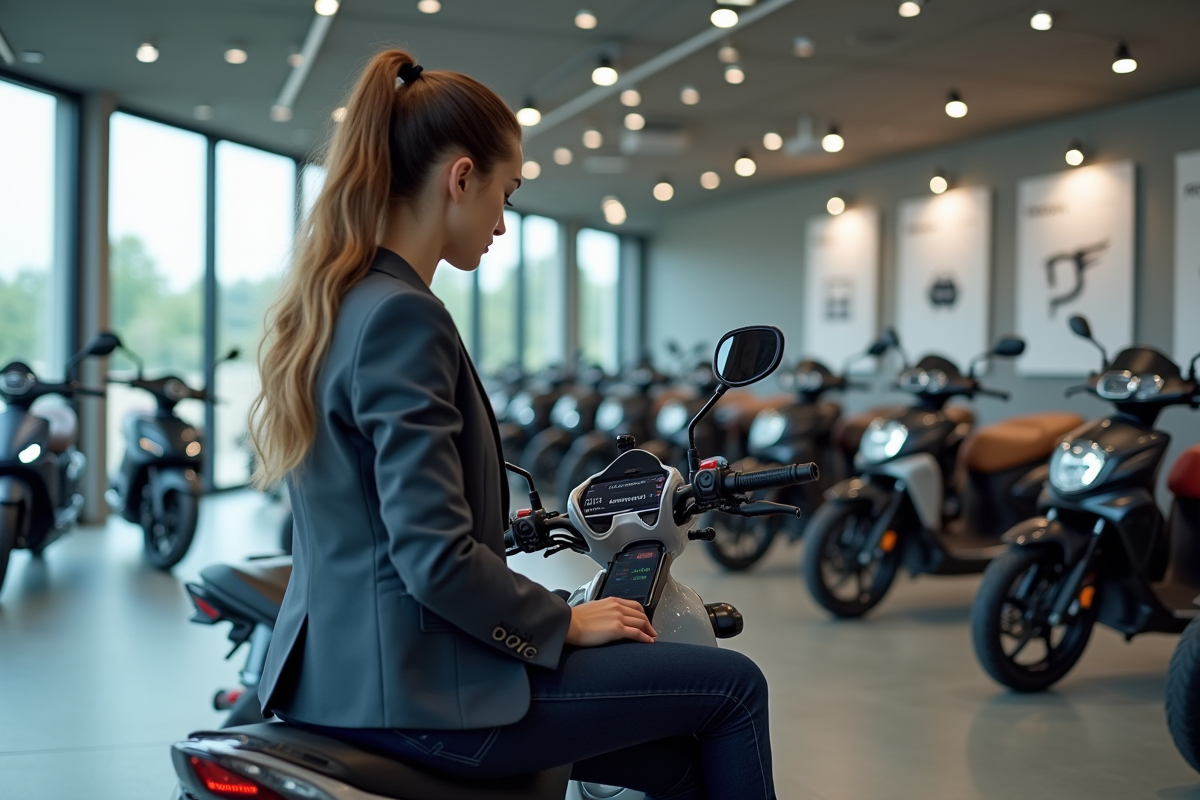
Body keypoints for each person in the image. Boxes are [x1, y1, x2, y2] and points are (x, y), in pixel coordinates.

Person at [249, 48, 776, 800]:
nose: (504, 219)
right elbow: (433, 558)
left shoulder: (338, 304)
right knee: (734, 688)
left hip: (336, 681)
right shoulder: (403, 316)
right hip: (419, 692)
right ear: (461, 178)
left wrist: (551, 610)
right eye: (507, 190)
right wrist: (562, 624)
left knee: (675, 766)